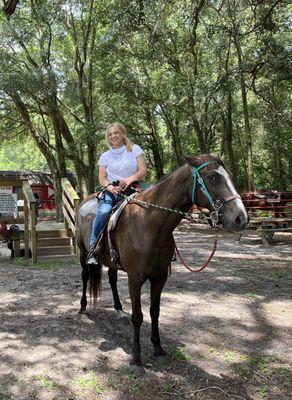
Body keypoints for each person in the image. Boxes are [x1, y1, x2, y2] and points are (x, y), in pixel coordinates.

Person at [87, 122, 147, 264]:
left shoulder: (135, 149)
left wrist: (130, 179)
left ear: (122, 133)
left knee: (156, 204)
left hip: (134, 186)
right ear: (108, 137)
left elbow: (143, 169)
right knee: (103, 211)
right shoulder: (105, 156)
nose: (114, 136)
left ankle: (169, 249)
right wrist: (111, 188)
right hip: (112, 189)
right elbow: (102, 178)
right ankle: (93, 249)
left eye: (116, 133)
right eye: (110, 134)